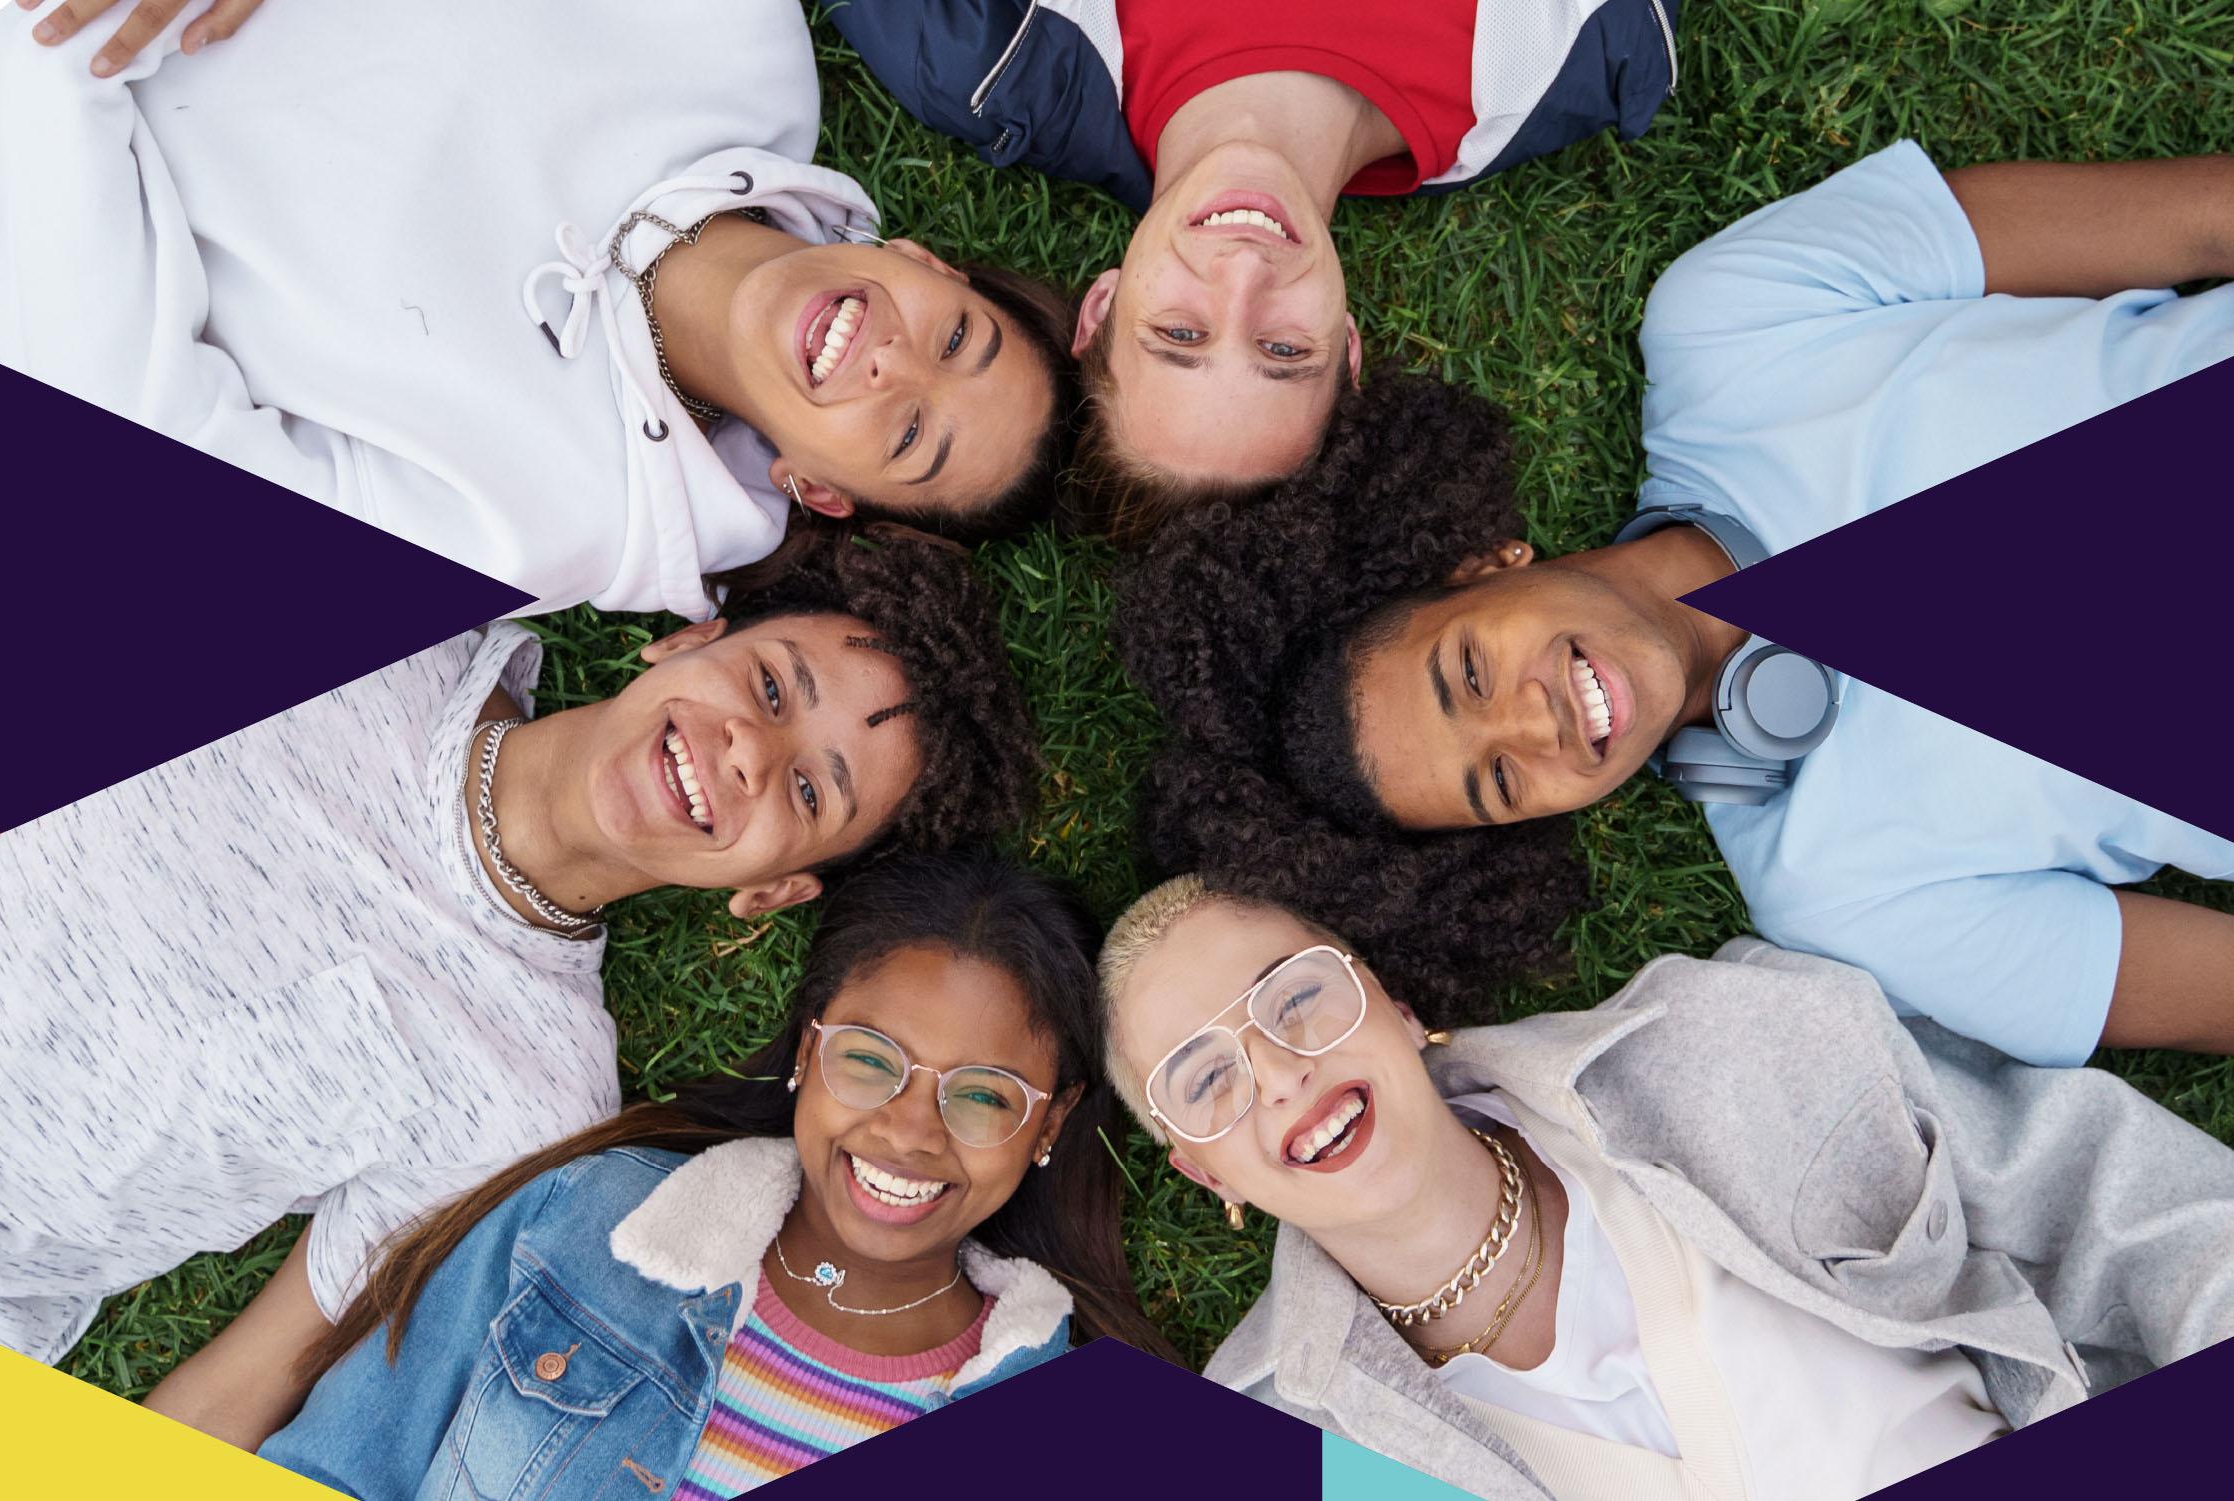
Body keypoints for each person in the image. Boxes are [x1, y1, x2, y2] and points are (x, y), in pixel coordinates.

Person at [1118, 143, 2234, 1061]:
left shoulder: (1730, 327)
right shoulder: (1833, 893)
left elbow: (2200, 213)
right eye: (1499, 782)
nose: (1533, 723)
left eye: (1467, 672)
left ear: (1484, 565)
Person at [0, 530, 1040, 1447]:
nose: (748, 754)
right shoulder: (391, 624)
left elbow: (246, 1380)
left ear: (772, 889)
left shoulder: (530, 1097)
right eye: (769, 687)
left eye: (809, 790)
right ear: (690, 638)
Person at [1097, 875, 2234, 1501]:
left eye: (1295, 998)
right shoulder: (1279, 1437)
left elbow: (2112, 1203)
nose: (1279, 1070)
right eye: (1203, 1076)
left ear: (1390, 1004)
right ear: (1201, 1171)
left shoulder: (1726, 1040)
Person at [0, 0, 1076, 618]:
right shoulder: (741, 41)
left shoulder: (551, 523)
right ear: (923, 260)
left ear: (815, 488)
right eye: (954, 338)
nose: (893, 361)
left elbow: (139, 441)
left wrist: (60, 65)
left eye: (908, 434)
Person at [256, 850, 1175, 1493]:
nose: (908, 1129)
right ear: (807, 1050)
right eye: (868, 1059)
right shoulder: (587, 1220)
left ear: (1049, 1122)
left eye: (982, 1095)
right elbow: (335, 1470)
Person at [830, 0, 1683, 541]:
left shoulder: (981, 48)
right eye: (1283, 351)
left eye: (1180, 333)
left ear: (1102, 308)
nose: (1243, 276)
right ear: (1346, 347)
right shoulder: (1582, 44)